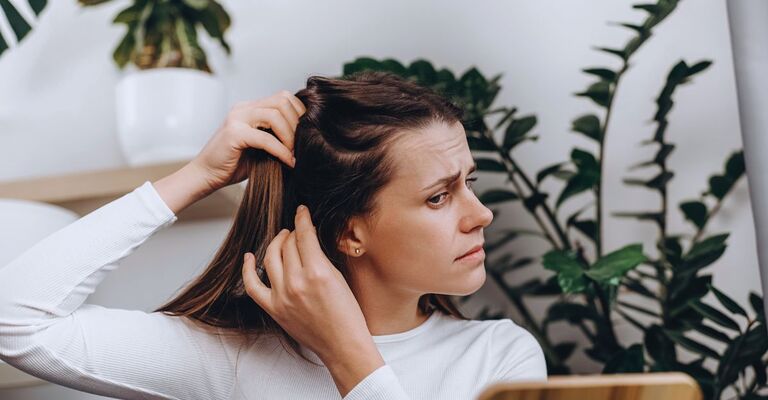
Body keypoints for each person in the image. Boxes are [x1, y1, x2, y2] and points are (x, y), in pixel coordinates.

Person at [0, 71, 546, 399]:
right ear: (349, 233)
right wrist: (197, 176)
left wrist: (349, 356)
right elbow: (16, 322)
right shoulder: (234, 357)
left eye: (467, 184)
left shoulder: (499, 360)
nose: (481, 215)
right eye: (439, 196)